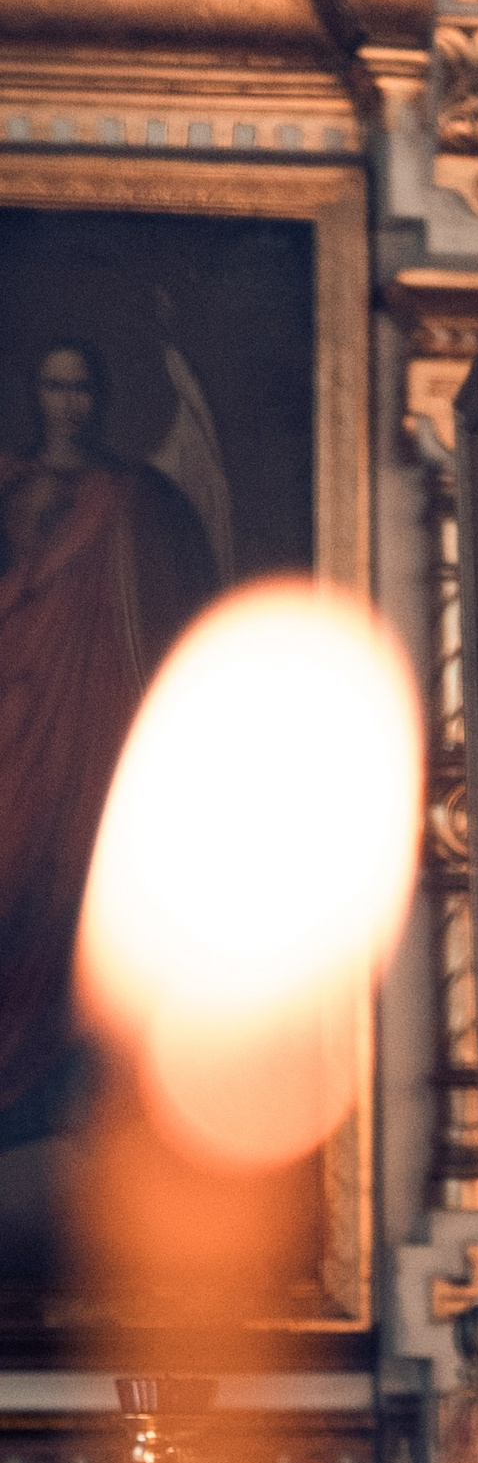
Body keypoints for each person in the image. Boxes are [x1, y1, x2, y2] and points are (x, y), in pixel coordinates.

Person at [0, 341, 217, 1153]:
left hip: (87, 714)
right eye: (56, 386)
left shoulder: (132, 499)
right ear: (37, 393)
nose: (70, 403)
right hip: (11, 706)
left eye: (83, 387)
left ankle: (60, 1085)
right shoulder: (9, 483)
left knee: (74, 880)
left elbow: (172, 610)